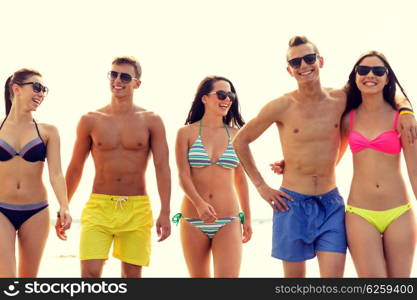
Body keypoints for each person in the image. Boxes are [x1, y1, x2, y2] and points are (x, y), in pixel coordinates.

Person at [232, 36, 417, 278]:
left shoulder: (340, 100)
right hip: (291, 202)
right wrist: (261, 186)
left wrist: (406, 109)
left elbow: (379, 84)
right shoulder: (280, 106)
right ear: (289, 69)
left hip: (331, 204)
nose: (303, 66)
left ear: (320, 61)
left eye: (309, 58)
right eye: (296, 62)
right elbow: (240, 141)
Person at [65, 56, 171, 278]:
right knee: (89, 277)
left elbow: (162, 167)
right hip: (99, 207)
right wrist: (63, 207)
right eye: (113, 74)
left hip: (137, 208)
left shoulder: (152, 120)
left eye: (125, 76)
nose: (117, 80)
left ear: (136, 83)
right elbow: (75, 167)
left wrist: (165, 211)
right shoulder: (90, 119)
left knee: (131, 280)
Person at [339, 51, 417, 277]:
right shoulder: (347, 119)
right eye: (362, 70)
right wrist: (293, 164)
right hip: (360, 213)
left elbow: (414, 170)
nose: (370, 75)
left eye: (378, 71)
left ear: (387, 78)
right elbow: (330, 160)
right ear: (355, 77)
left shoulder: (401, 119)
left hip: (399, 212)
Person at [173, 76, 252, 277]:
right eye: (222, 94)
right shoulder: (186, 133)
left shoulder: (237, 134)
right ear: (204, 98)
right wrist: (199, 204)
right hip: (193, 218)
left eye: (230, 95)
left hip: (228, 219)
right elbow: (183, 176)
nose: (227, 100)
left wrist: (248, 218)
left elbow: (241, 180)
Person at [0, 69, 71, 277]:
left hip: (37, 211)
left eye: (44, 90)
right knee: (6, 279)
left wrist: (64, 206)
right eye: (37, 87)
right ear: (17, 89)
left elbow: (56, 173)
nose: (41, 94)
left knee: (28, 283)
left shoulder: (48, 131)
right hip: (1, 209)